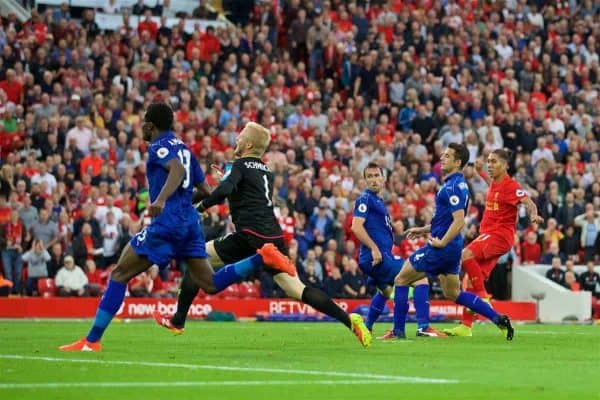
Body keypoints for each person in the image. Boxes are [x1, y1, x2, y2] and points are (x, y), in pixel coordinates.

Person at [59, 103, 294, 352]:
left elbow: (177, 170)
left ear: (151, 125)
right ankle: (262, 258)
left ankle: (92, 341)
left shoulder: (158, 146)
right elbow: (205, 191)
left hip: (167, 225)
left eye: (144, 124)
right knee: (210, 284)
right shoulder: (185, 148)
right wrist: (185, 203)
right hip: (190, 225)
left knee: (119, 275)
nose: (143, 128)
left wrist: (161, 199)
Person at [154, 121, 372, 348]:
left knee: (197, 259)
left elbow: (226, 191)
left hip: (249, 233)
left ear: (247, 144)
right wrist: (228, 179)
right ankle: (349, 320)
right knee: (298, 290)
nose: (237, 139)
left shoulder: (239, 164)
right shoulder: (265, 170)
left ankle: (178, 320)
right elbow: (243, 191)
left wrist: (199, 208)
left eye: (240, 137)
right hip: (273, 236)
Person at [392, 143, 514, 340]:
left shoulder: (453, 187)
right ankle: (498, 319)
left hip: (443, 247)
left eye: (447, 156)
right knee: (453, 293)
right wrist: (424, 230)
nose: (442, 157)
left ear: (458, 162)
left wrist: (441, 243)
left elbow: (458, 221)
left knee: (401, 279)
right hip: (452, 248)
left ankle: (399, 331)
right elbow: (446, 220)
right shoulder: (457, 184)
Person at [443, 149, 543, 337]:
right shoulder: (496, 184)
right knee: (469, 281)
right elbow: (493, 186)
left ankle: (483, 296)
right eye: (488, 161)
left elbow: (528, 201)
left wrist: (534, 214)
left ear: (505, 165)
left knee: (465, 255)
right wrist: (481, 172)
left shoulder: (511, 186)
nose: (489, 165)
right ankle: (466, 326)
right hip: (490, 236)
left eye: (494, 162)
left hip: (499, 236)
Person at [351, 163, 446, 337]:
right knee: (419, 278)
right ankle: (421, 327)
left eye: (376, 175)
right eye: (369, 176)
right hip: (375, 257)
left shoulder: (378, 201)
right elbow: (356, 227)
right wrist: (374, 248)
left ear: (383, 178)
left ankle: (366, 328)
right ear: (364, 181)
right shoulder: (365, 199)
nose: (373, 180)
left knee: (385, 291)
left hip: (378, 257)